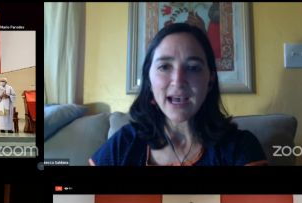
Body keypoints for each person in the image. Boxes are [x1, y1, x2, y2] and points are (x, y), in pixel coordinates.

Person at [90, 23, 267, 166]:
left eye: (193, 68)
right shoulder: (124, 143)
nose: (178, 80)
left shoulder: (240, 147)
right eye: (164, 66)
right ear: (149, 81)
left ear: (210, 80)